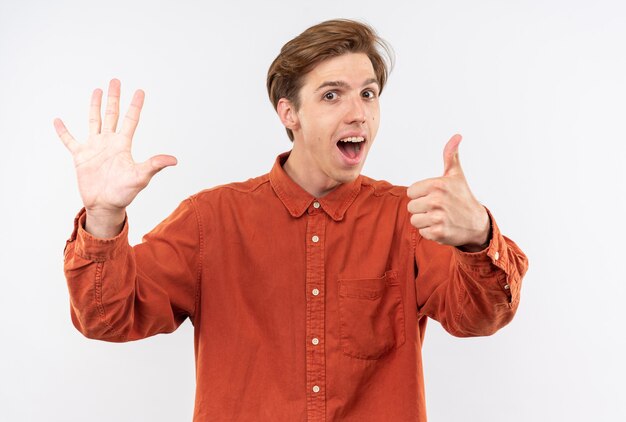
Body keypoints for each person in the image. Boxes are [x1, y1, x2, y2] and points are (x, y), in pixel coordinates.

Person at [55, 19, 528, 421]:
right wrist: (103, 215)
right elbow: (106, 317)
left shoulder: (411, 219)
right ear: (289, 112)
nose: (357, 113)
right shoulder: (211, 221)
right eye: (331, 96)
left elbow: (480, 318)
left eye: (368, 93)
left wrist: (477, 239)